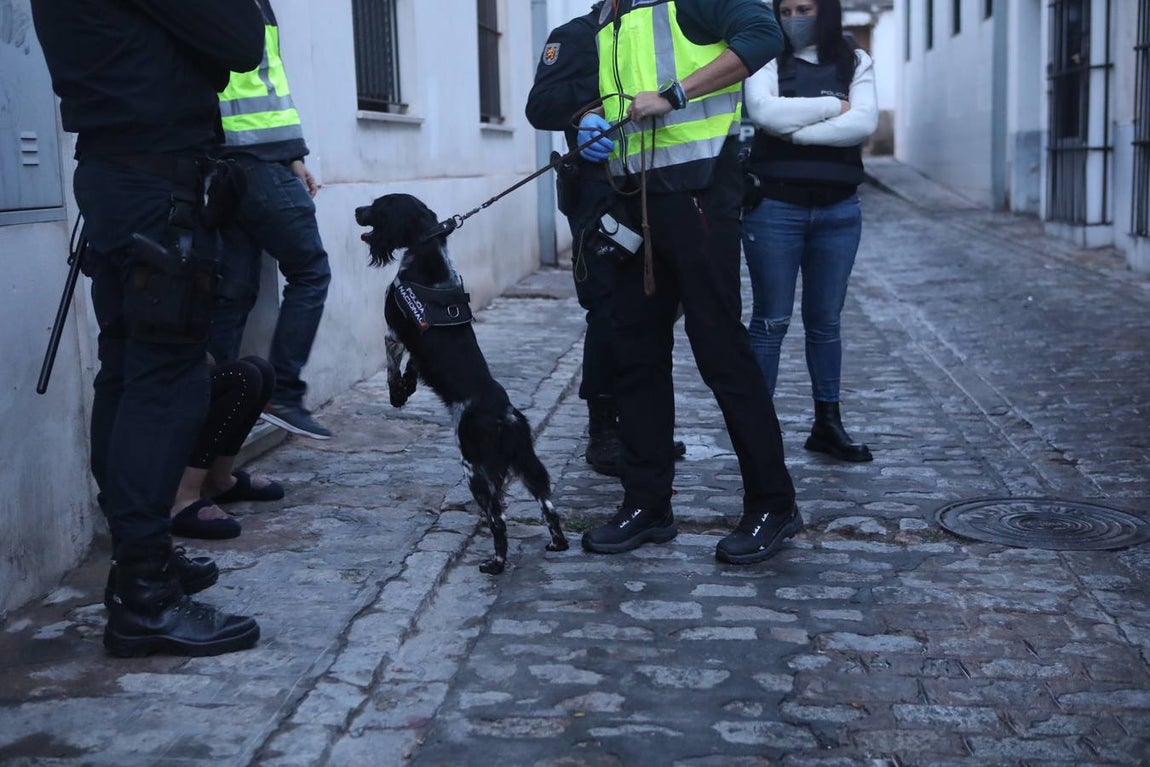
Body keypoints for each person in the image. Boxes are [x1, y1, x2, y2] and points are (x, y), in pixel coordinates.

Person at [29, 0, 265, 657]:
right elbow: (242, 40)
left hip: (120, 176)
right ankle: (145, 594)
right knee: (166, 381)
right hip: (154, 184)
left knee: (133, 371)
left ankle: (142, 557)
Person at [577, 0, 801, 565]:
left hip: (700, 195)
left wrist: (675, 95)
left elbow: (762, 36)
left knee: (722, 354)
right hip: (633, 201)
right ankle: (647, 504)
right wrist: (590, 121)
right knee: (635, 356)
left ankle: (773, 503)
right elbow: (600, 94)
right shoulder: (607, 13)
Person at [526, 2, 686, 477]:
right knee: (608, 310)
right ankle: (605, 428)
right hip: (599, 193)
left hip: (657, 185)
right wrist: (590, 110)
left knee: (657, 308)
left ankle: (645, 425)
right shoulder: (575, 34)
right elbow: (541, 106)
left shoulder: (668, 28)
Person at [741, 0, 878, 462]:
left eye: (806, 7)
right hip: (775, 209)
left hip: (839, 212)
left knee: (826, 322)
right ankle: (758, 432)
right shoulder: (763, 56)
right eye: (787, 9)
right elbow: (764, 112)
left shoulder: (854, 59)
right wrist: (829, 108)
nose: (795, 17)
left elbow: (862, 123)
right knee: (770, 322)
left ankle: (828, 423)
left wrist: (795, 132)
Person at [208, 0, 334, 441]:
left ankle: (214, 405)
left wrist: (294, 155)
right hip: (249, 159)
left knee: (234, 292)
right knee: (311, 269)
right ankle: (282, 392)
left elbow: (269, 79)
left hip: (248, 159)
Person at [170, 355, 285, 540]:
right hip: (155, 386)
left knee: (261, 370)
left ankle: (219, 480)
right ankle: (183, 498)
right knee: (242, 377)